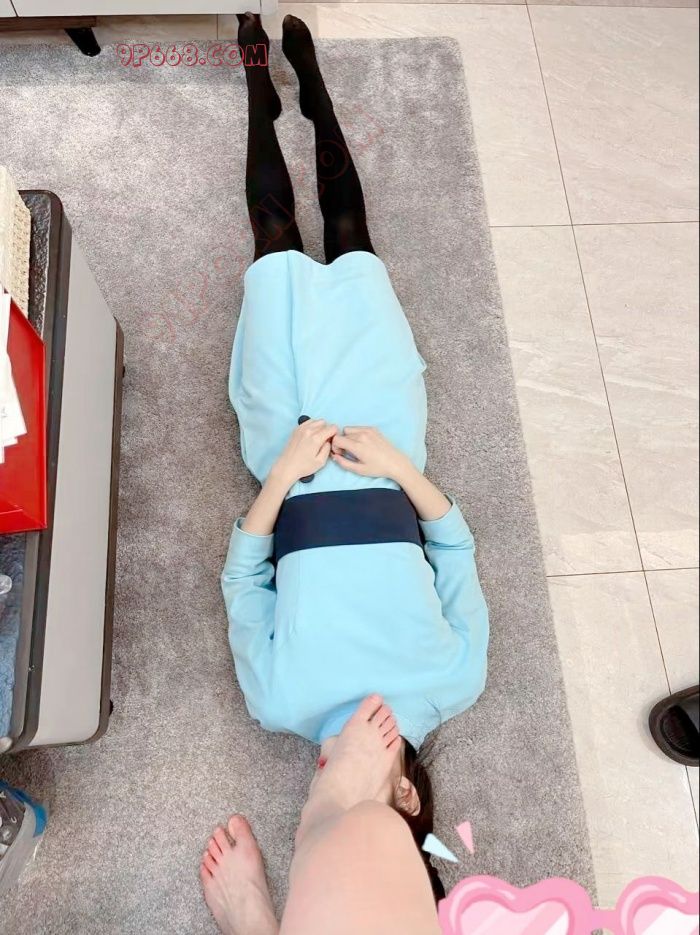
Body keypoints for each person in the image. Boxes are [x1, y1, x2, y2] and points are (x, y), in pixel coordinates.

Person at [201, 12, 490, 933]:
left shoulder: (278, 703)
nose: (326, 775)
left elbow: (242, 578)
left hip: (287, 448)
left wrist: (282, 475)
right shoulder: (453, 679)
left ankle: (256, 77)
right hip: (382, 437)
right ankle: (312, 85)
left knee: (274, 239)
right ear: (407, 798)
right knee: (352, 232)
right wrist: (397, 462)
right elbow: (455, 546)